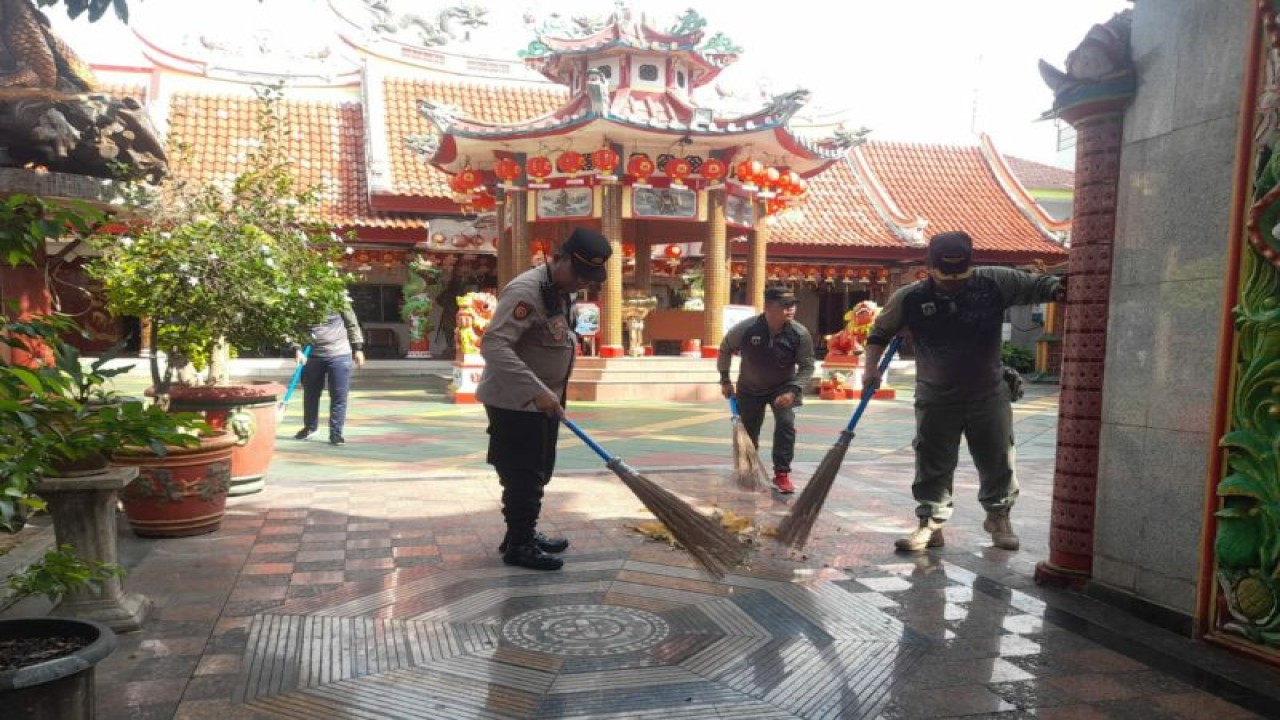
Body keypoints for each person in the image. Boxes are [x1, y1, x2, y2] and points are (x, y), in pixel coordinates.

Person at [862, 231, 1066, 552]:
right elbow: (879, 333)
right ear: (929, 267)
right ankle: (931, 523)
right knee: (932, 460)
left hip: (988, 393)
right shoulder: (910, 297)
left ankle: (998, 517)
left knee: (998, 457)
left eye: (959, 275)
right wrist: (870, 369)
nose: (952, 282)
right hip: (935, 395)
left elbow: (1041, 286)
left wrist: (1062, 286)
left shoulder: (995, 282)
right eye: (945, 276)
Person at [478, 226, 611, 571]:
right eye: (579, 273)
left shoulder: (560, 289)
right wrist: (536, 390)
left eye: (590, 277)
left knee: (538, 472)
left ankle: (521, 532)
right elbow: (494, 344)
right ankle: (519, 546)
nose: (583, 282)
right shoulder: (527, 291)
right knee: (523, 474)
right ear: (561, 258)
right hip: (516, 401)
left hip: (542, 401)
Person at [717, 287, 816, 494]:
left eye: (793, 305)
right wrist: (725, 379)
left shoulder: (799, 333)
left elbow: (807, 366)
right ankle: (747, 471)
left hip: (783, 389)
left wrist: (793, 390)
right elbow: (725, 348)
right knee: (748, 431)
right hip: (749, 389)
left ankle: (782, 474)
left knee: (786, 424)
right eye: (785, 306)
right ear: (769, 307)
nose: (791, 309)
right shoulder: (747, 329)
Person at [294, 306, 365, 446]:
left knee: (339, 396)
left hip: (339, 354)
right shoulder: (302, 300)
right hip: (312, 355)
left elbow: (352, 324)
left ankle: (336, 433)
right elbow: (295, 326)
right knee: (310, 394)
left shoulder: (339, 298)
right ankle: (310, 428)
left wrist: (358, 349)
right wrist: (296, 348)